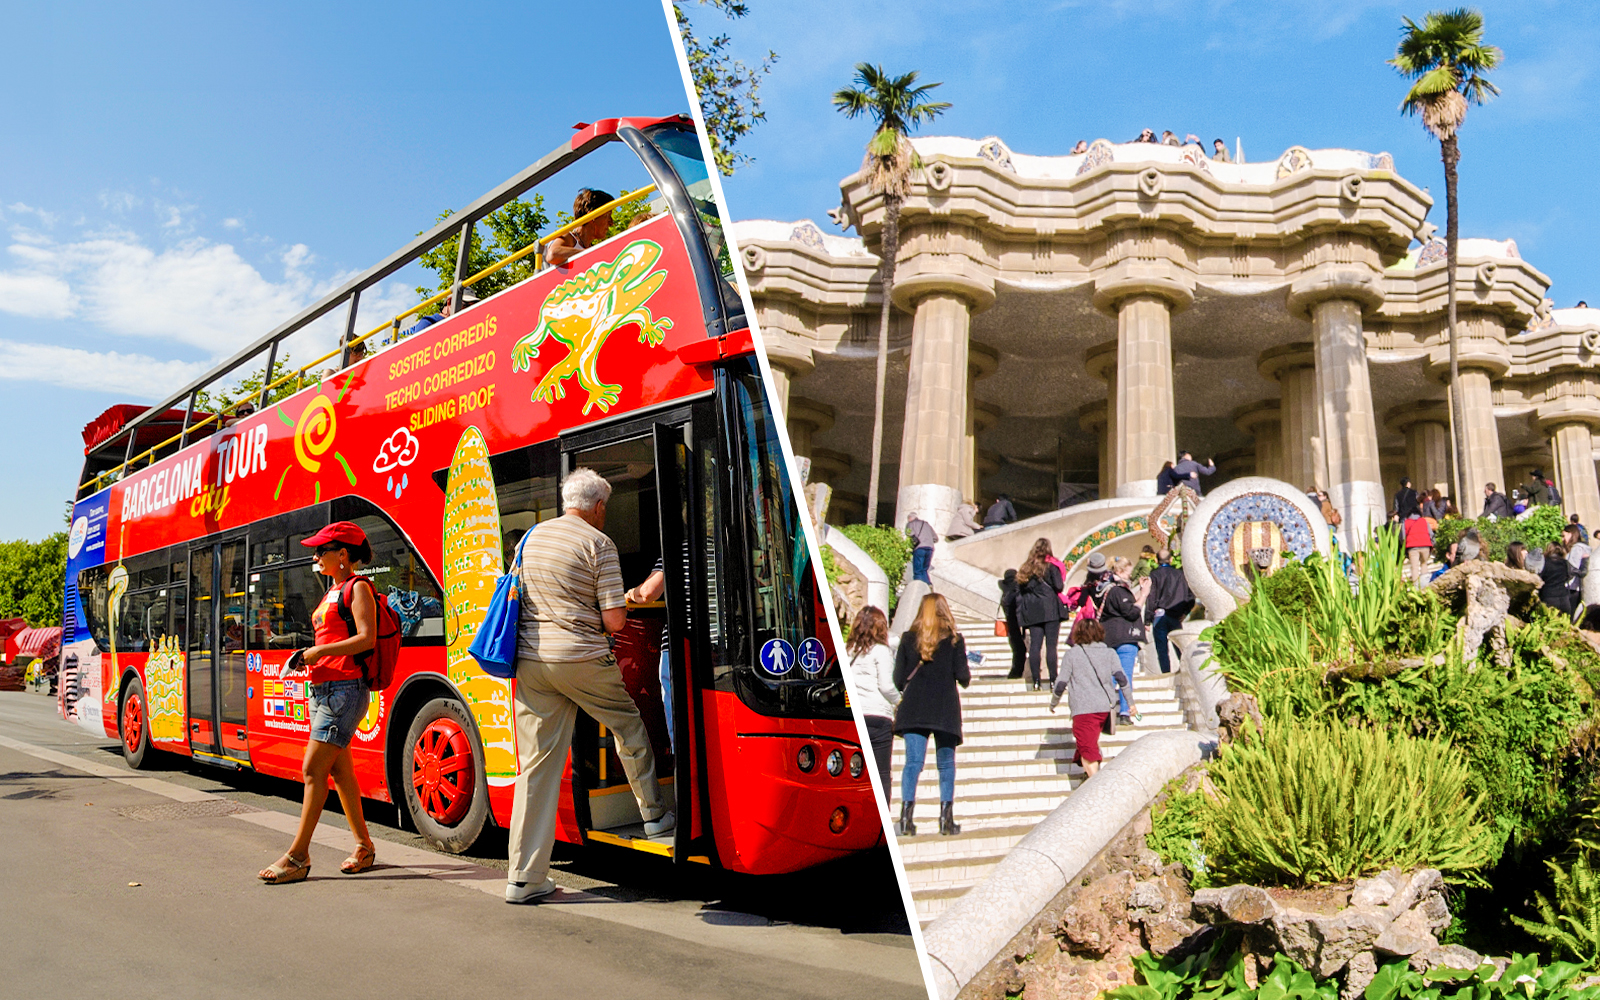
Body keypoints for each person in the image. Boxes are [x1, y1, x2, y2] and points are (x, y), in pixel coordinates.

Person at [505, 468, 670, 904]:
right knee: (629, 728)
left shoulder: (529, 539)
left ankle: (523, 877)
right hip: (581, 659)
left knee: (535, 768)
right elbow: (615, 620)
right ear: (598, 507)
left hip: (530, 662)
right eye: (605, 508)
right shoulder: (599, 543)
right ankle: (654, 817)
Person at [257, 521, 378, 884]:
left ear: (343, 555)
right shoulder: (333, 591)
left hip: (345, 691)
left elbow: (367, 639)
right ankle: (364, 846)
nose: (315, 557)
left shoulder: (358, 589)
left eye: (321, 550)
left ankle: (298, 856)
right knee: (341, 774)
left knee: (312, 771)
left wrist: (315, 653)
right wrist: (302, 651)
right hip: (324, 690)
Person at [892, 593, 970, 838]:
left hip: (915, 707)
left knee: (913, 763)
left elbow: (897, 679)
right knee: (946, 765)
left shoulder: (907, 639)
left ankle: (906, 820)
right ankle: (946, 821)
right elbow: (964, 677)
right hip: (945, 708)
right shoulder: (955, 641)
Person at [1048, 617, 1126, 778]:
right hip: (1104, 708)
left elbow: (1061, 682)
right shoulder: (1109, 652)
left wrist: (1053, 702)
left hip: (1083, 709)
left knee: (1088, 751)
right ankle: (1090, 780)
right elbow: (1122, 679)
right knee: (1089, 744)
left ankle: (1097, 787)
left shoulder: (1072, 654)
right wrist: (1130, 703)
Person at [844, 606, 897, 806]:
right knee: (881, 772)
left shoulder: (847, 650)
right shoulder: (881, 651)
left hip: (856, 716)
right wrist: (899, 701)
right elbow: (886, 686)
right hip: (878, 717)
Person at [624, 558, 675, 756]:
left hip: (679, 644)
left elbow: (648, 592)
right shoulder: (725, 550)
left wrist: (630, 595)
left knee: (677, 716)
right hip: (721, 646)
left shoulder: (676, 551)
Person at [1096, 557, 1143, 724]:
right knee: (1124, 675)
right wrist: (1143, 595)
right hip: (1124, 637)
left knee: (1111, 675)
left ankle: (1104, 709)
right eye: (1129, 574)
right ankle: (1124, 712)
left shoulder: (1105, 589)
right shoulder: (1118, 590)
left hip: (1109, 637)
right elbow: (1130, 612)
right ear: (1119, 572)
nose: (1130, 577)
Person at [1015, 538, 1065, 691]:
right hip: (1050, 609)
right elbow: (1059, 586)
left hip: (1032, 611)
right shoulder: (1051, 567)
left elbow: (1020, 590)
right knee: (1051, 646)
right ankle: (1053, 680)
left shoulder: (1025, 568)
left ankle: (1035, 681)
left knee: (1035, 646)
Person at [1143, 549, 1193, 674]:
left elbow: (1151, 597)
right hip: (1176, 615)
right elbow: (1190, 596)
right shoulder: (1180, 575)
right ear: (1171, 559)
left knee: (1162, 648)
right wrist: (1185, 612)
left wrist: (1147, 619)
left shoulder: (1154, 575)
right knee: (1179, 645)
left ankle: (1166, 673)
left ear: (1156, 560)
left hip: (1160, 615)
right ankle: (1185, 671)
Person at [546, 188, 615, 267]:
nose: (611, 223)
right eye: (608, 216)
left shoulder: (590, 248)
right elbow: (553, 254)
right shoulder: (569, 238)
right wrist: (591, 254)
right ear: (592, 216)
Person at [998, 569, 1026, 680]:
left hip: (1011, 625)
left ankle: (1015, 672)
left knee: (1016, 649)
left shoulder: (1005, 594)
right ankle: (1018, 672)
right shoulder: (1017, 591)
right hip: (1021, 624)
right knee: (1022, 649)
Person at [1539, 542, 1576, 617]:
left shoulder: (1544, 563)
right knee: (1566, 624)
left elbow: (1538, 578)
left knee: (1548, 623)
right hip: (1564, 598)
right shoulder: (1565, 563)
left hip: (1548, 597)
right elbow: (1571, 574)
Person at [905, 512, 937, 584]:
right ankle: (928, 584)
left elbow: (909, 534)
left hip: (919, 548)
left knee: (918, 570)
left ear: (909, 518)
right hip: (929, 548)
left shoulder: (910, 524)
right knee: (924, 569)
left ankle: (918, 585)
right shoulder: (926, 524)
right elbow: (935, 538)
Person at [1403, 512, 1433, 585]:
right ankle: (1425, 584)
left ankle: (1416, 587)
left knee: (1414, 567)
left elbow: (1403, 537)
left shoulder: (1405, 522)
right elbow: (1431, 534)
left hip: (1412, 547)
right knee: (1424, 564)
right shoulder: (1424, 521)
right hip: (1425, 545)